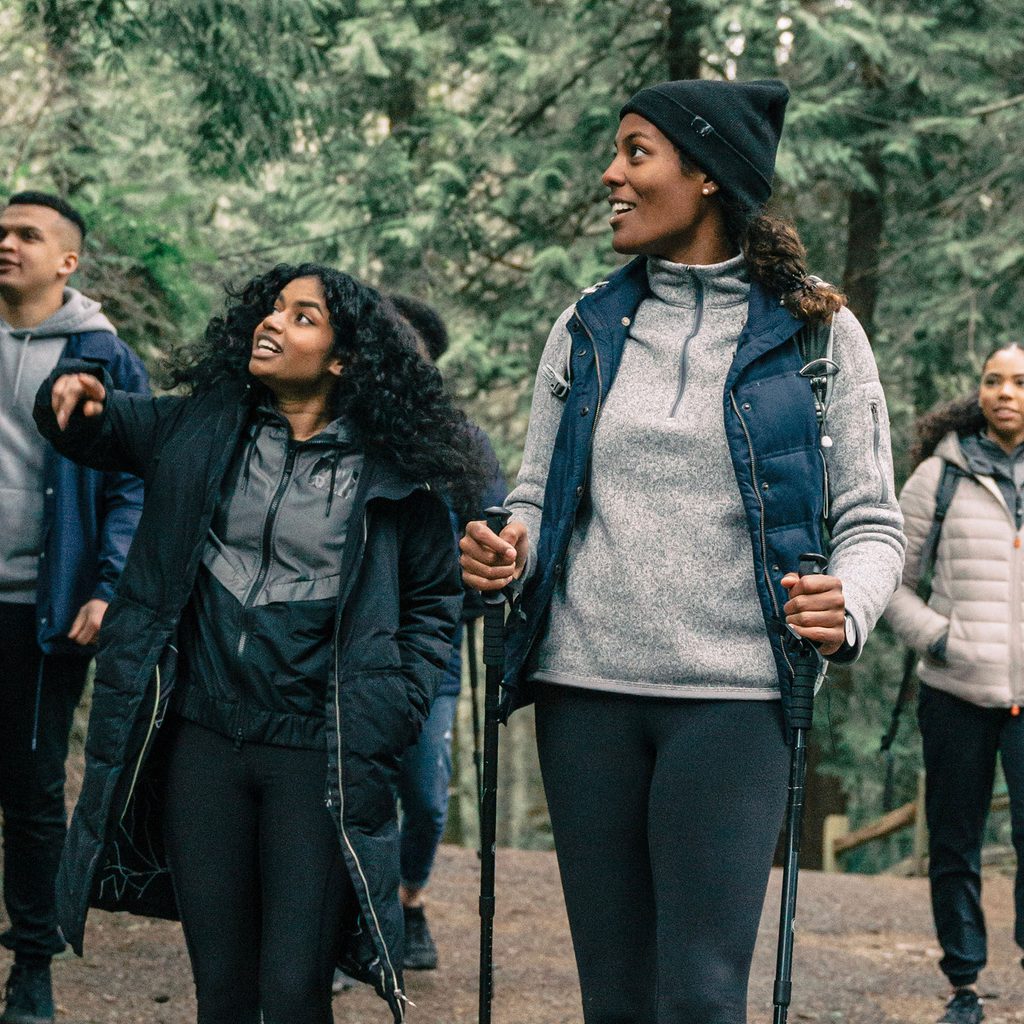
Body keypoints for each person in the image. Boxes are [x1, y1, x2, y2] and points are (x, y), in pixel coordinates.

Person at [460, 79, 906, 1023]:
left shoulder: (819, 335)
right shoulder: (585, 327)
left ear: (705, 174)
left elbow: (872, 523)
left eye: (634, 152)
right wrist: (510, 547)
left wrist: (848, 604)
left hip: (734, 701)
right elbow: (539, 496)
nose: (610, 174)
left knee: (700, 995)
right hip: (586, 695)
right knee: (614, 998)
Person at [34, 263, 487, 1024]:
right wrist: (75, 387)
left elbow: (434, 601)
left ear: (344, 359)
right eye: (271, 309)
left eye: (303, 317)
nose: (272, 323)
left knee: (293, 988)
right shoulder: (201, 428)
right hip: (203, 741)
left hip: (319, 752)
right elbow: (99, 424)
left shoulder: (397, 474)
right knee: (224, 988)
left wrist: (397, 703)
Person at [0, 191, 148, 1024]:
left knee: (28, 786)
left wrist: (108, 585)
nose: (6, 244)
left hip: (43, 607)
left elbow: (133, 477)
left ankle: (32, 965)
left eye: (27, 235)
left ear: (68, 261)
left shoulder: (101, 353)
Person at [885, 344, 1024, 1024]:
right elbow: (893, 586)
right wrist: (942, 639)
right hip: (955, 693)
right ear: (979, 392)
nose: (1005, 392)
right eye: (994, 380)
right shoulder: (938, 477)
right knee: (955, 840)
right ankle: (964, 985)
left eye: (1020, 382)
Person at [388, 294, 506, 972]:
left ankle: (409, 899)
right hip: (343, 641)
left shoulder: (458, 437)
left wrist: (490, 560)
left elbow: (491, 511)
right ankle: (354, 920)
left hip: (432, 641)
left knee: (427, 798)